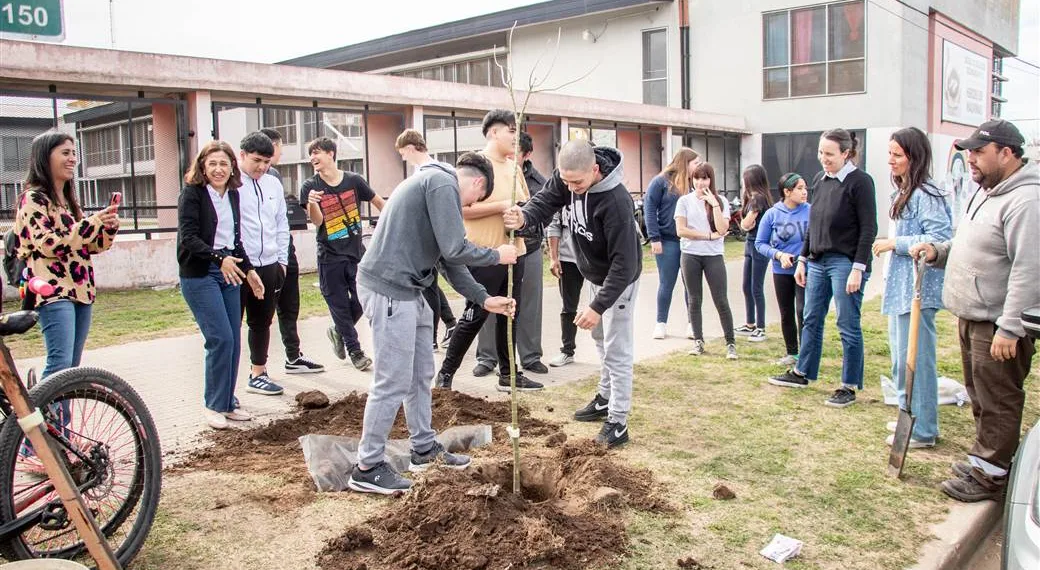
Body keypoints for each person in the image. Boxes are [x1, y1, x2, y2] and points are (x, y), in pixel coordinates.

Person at [348, 152, 518, 495]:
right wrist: (496, 255)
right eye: (474, 200)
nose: (469, 207)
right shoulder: (441, 182)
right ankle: (367, 466)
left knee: (420, 374)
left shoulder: (436, 187)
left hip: (411, 290)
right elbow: (455, 249)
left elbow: (448, 261)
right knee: (392, 380)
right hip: (388, 288)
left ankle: (423, 448)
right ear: (477, 182)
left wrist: (484, 299)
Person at [909, 119, 1038, 502]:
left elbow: (1030, 270)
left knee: (998, 399)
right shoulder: (988, 192)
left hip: (997, 324)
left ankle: (991, 477)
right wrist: (939, 252)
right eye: (969, 153)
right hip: (974, 316)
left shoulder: (1026, 201)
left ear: (1007, 153)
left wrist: (1010, 328)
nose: (971, 159)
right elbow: (970, 243)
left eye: (979, 152)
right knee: (980, 395)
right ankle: (984, 461)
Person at [504, 140, 642, 448]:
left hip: (619, 282)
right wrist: (524, 216)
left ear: (595, 169)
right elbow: (545, 200)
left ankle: (618, 421)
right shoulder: (568, 177)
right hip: (595, 275)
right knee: (601, 340)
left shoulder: (616, 200)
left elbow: (625, 264)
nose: (570, 188)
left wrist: (597, 306)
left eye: (576, 182)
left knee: (617, 349)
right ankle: (605, 397)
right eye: (566, 181)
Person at [769, 129, 878, 408]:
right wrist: (803, 260)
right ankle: (802, 372)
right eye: (821, 152)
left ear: (846, 153)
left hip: (845, 262)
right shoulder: (820, 179)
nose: (823, 158)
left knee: (847, 323)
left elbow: (869, 228)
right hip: (817, 260)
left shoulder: (861, 182)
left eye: (829, 154)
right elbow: (813, 224)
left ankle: (848, 385)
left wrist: (858, 268)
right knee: (811, 317)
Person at [436, 109, 543, 392]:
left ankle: (509, 374)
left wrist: (519, 215)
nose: (516, 137)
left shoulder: (514, 167)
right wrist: (500, 207)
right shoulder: (473, 166)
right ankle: (445, 375)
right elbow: (460, 208)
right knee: (475, 314)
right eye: (511, 131)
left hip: (515, 253)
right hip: (484, 254)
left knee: (510, 313)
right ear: (493, 132)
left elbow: (526, 205)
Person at [13, 131, 118, 382]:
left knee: (71, 367)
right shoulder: (33, 199)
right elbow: (48, 244)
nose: (72, 159)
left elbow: (90, 246)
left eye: (73, 153)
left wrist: (107, 227)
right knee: (59, 364)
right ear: (45, 157)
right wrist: (91, 223)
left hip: (82, 289)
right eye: (65, 153)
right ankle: (42, 407)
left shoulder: (69, 202)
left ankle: (57, 410)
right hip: (53, 289)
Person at [872, 127, 953, 450]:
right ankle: (909, 414)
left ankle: (924, 428)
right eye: (889, 153)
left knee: (917, 360)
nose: (890, 160)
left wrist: (896, 243)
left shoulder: (926, 194)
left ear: (914, 157)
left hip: (917, 290)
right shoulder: (904, 192)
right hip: (899, 289)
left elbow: (940, 238)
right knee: (900, 359)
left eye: (897, 155)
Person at [177, 141, 265, 429]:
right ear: (203, 167)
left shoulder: (233, 195)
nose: (218, 169)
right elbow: (188, 238)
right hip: (201, 273)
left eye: (224, 163)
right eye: (212, 163)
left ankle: (227, 403)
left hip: (230, 271)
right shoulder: (192, 194)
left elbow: (236, 240)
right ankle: (213, 405)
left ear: (232, 168)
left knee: (234, 341)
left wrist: (249, 271)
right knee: (220, 339)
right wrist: (219, 259)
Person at [303, 136, 384, 371]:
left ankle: (338, 331)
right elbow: (317, 222)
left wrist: (392, 226)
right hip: (329, 256)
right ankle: (355, 351)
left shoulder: (353, 180)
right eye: (311, 154)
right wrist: (312, 203)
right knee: (339, 306)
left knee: (363, 298)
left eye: (317, 152)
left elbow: (379, 203)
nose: (313, 157)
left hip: (356, 253)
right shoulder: (309, 186)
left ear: (331, 154)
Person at [475, 131, 549, 375]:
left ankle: (530, 355)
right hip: (493, 249)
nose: (509, 155)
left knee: (528, 303)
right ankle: (487, 357)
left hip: (529, 247)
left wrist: (524, 223)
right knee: (488, 301)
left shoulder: (538, 181)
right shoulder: (485, 171)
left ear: (526, 155)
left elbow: (544, 214)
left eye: (515, 151)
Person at [259, 128, 324, 374]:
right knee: (264, 312)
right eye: (280, 147)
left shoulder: (274, 175)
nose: (280, 153)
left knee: (289, 305)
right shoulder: (255, 177)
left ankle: (293, 357)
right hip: (265, 256)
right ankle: (259, 368)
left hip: (285, 249)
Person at [236, 131, 291, 396]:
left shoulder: (273, 184)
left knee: (262, 321)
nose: (261, 167)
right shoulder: (231, 184)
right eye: (256, 160)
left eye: (266, 162)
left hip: (269, 263)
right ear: (242, 155)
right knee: (231, 326)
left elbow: (281, 223)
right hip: (239, 265)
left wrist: (282, 261)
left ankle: (258, 373)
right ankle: (226, 385)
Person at [395, 129, 458, 348]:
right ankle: (449, 325)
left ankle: (431, 337)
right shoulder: (442, 169)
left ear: (410, 148)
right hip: (435, 236)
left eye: (403, 153)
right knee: (431, 285)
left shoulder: (429, 173)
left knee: (429, 287)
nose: (404, 158)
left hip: (431, 239)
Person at [675, 162, 737, 359]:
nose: (700, 183)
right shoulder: (684, 201)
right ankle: (698, 341)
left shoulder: (721, 201)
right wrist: (707, 236)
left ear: (711, 180)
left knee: (721, 299)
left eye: (704, 178)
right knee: (694, 299)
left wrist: (714, 204)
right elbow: (681, 230)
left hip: (713, 255)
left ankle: (730, 343)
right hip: (690, 254)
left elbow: (722, 229)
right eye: (696, 178)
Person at [645, 148, 701, 340]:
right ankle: (660, 323)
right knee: (666, 283)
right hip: (667, 241)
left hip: (690, 242)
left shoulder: (695, 183)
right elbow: (649, 208)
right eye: (695, 163)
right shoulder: (661, 181)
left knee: (691, 285)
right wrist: (654, 238)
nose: (698, 167)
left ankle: (692, 324)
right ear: (685, 162)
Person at [755, 173, 811, 366]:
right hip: (782, 271)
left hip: (806, 270)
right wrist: (778, 255)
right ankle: (792, 353)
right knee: (786, 312)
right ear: (787, 192)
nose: (804, 192)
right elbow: (760, 243)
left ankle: (807, 355)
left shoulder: (811, 211)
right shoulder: (772, 214)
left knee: (803, 311)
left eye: (805, 188)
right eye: (800, 188)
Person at [736, 165, 774, 342]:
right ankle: (750, 323)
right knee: (747, 285)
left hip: (759, 244)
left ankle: (760, 327)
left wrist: (745, 224)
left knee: (755, 287)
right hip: (750, 243)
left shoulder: (758, 198)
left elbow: (746, 223)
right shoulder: (753, 198)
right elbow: (745, 225)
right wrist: (745, 224)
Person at [546, 204, 584, 367]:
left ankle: (609, 351)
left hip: (596, 260)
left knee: (604, 306)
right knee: (569, 307)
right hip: (568, 260)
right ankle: (567, 351)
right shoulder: (563, 198)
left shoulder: (600, 196)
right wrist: (554, 258)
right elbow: (554, 226)